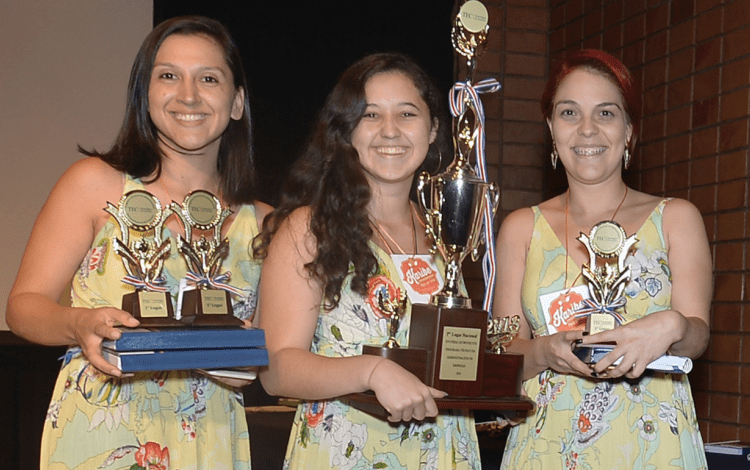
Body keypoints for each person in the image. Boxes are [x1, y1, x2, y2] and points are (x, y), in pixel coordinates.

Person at [6, 16, 272, 470]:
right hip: (99, 431)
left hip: (209, 441)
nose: (188, 95)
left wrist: (248, 357)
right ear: (144, 95)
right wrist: (79, 324)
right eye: (168, 76)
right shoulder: (94, 184)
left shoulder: (266, 223)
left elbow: (270, 355)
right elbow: (23, 307)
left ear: (237, 103)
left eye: (209, 78)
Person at [255, 52, 481, 469]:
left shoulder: (444, 232)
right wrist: (372, 372)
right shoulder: (310, 228)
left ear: (432, 130)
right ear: (347, 132)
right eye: (371, 115)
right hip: (345, 451)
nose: (390, 131)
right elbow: (277, 367)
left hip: (444, 450)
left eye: (407, 114)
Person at [492, 49, 711, 469]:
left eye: (606, 113)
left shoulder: (676, 218)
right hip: (546, 446)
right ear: (551, 129)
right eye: (569, 112)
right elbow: (504, 354)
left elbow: (698, 338)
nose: (587, 129)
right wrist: (545, 352)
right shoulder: (522, 228)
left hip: (653, 446)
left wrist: (673, 324)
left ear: (629, 130)